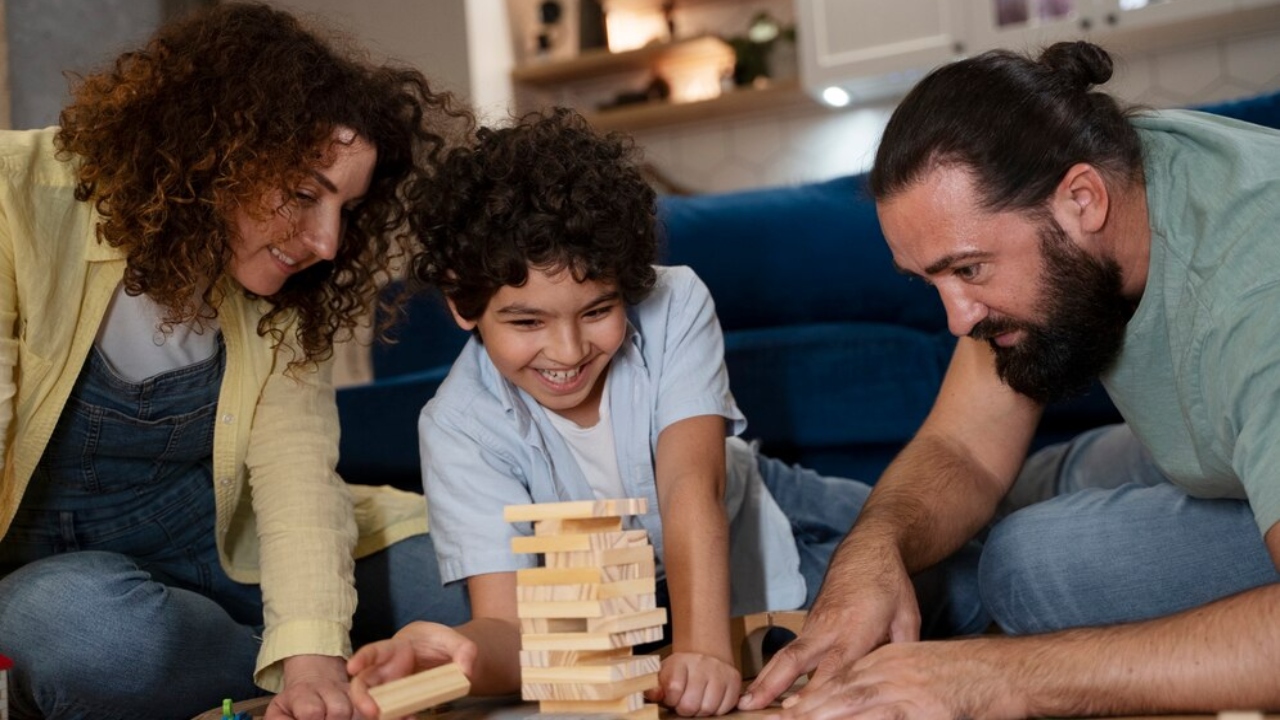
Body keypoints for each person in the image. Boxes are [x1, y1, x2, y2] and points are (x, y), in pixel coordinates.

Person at [344, 108, 987, 718]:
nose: (568, 351)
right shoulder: (456, 426)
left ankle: (1049, 474)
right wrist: (458, 656)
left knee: (965, 562)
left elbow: (689, 487)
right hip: (643, 600)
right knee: (912, 618)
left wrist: (703, 648)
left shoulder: (675, 301)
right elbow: (511, 628)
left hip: (762, 509)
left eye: (597, 310)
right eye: (527, 321)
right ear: (462, 302)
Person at [738, 40, 1280, 719]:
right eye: (931, 279)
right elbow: (962, 449)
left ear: (1083, 200)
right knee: (1012, 491)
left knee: (1029, 560)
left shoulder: (1256, 288)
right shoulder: (1098, 169)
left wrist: (996, 677)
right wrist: (871, 554)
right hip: (1223, 448)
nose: (957, 319)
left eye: (969, 269)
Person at [0, 4, 473, 719]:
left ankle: (293, 657)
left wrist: (311, 659)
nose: (327, 242)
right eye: (306, 194)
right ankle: (301, 658)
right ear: (214, 152)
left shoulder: (285, 287)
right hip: (58, 574)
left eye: (347, 208)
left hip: (231, 543)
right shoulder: (12, 198)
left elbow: (295, 474)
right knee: (99, 640)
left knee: (490, 587)